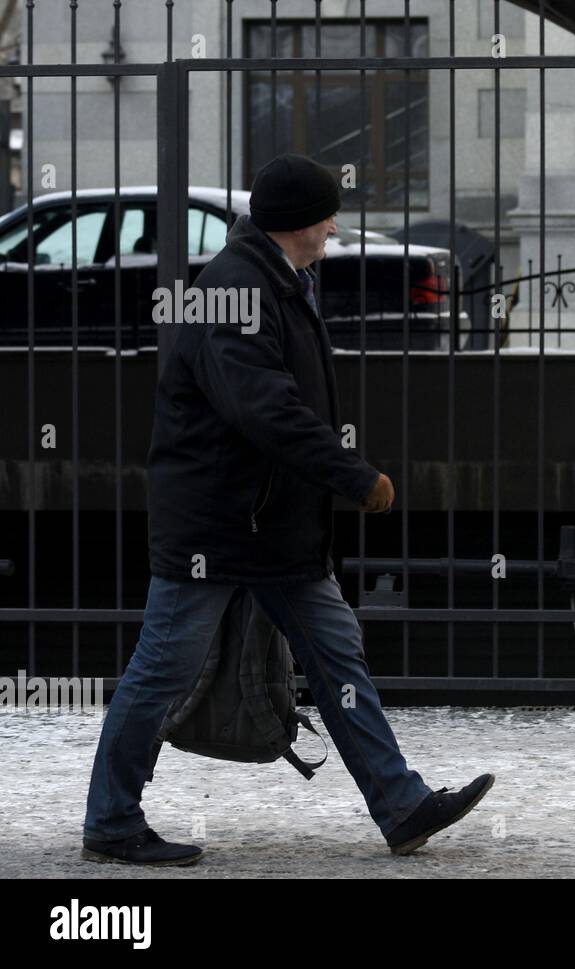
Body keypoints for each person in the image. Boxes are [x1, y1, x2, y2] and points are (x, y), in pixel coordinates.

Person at [81, 153, 493, 866]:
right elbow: (266, 410)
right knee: (163, 671)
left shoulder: (277, 279)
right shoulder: (236, 290)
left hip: (272, 525)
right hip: (215, 525)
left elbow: (279, 404)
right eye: (328, 213)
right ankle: (111, 819)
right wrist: (352, 475)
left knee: (340, 661)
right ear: (300, 222)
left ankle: (401, 805)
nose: (335, 225)